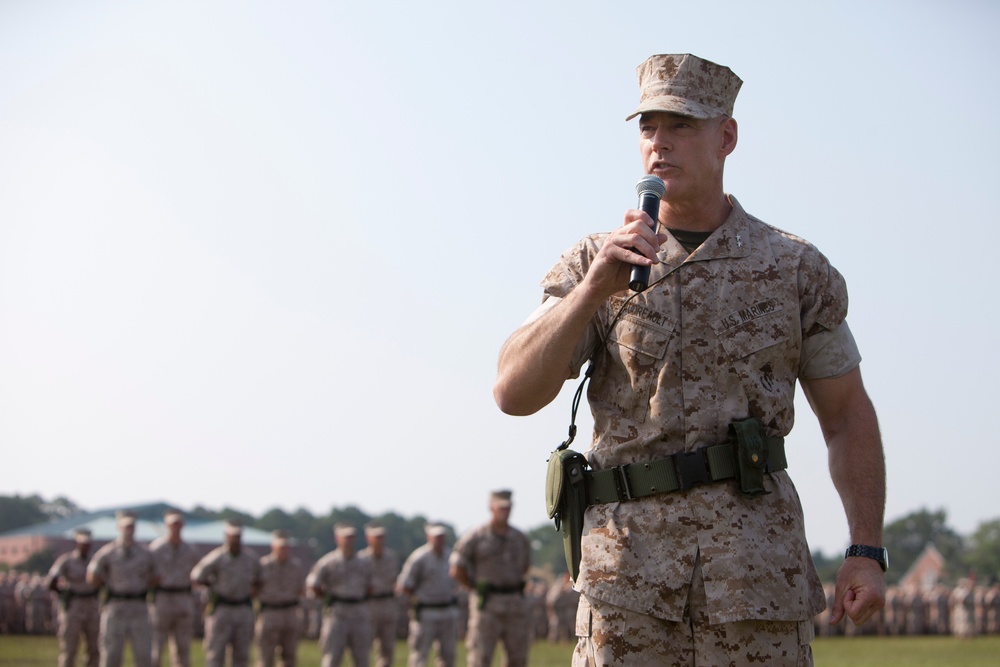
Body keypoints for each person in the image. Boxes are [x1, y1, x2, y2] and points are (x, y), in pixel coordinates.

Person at [493, 53, 887, 665]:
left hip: (754, 581)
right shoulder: (593, 261)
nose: (659, 144)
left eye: (681, 125)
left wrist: (866, 548)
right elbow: (513, 392)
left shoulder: (793, 268)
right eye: (648, 127)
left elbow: (846, 416)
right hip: (628, 588)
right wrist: (596, 287)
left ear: (726, 136)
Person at [449, 490, 531, 667]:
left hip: (514, 602)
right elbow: (456, 569)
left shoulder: (519, 538)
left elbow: (525, 567)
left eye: (508, 508)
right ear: (491, 508)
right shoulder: (476, 536)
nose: (505, 511)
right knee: (480, 657)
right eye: (501, 508)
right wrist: (473, 586)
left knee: (518, 658)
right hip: (487, 604)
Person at [87, 510, 157, 667]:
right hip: (116, 606)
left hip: (138, 607)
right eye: (126, 526)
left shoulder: (146, 552)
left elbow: (158, 576)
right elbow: (92, 575)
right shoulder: (108, 552)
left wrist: (143, 584)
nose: (129, 530)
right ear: (119, 527)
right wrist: (107, 585)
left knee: (144, 655)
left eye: (131, 526)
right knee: (111, 654)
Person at [191, 520, 260, 667]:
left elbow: (261, 578)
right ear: (226, 536)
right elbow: (197, 575)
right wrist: (212, 587)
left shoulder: (250, 558)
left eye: (238, 536)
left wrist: (253, 589)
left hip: (243, 608)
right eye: (232, 536)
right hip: (222, 609)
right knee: (216, 653)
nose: (235, 539)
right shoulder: (217, 557)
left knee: (242, 655)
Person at [306, 523, 373, 667]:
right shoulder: (328, 562)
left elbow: (371, 587)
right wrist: (326, 597)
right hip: (337, 614)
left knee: (362, 658)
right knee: (332, 657)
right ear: (338, 539)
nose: (349, 541)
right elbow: (313, 584)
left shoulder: (364, 563)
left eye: (352, 537)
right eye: (346, 537)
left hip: (359, 613)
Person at [396, 523, 460, 667]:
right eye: (436, 537)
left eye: (442, 536)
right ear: (428, 537)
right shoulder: (419, 558)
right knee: (420, 655)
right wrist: (417, 599)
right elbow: (405, 584)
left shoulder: (450, 556)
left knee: (448, 655)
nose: (439, 540)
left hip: (447, 610)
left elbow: (458, 579)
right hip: (426, 612)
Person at [148, 510, 199, 667]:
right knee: (157, 646)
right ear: (166, 525)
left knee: (182, 648)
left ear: (182, 525)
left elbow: (197, 574)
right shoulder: (155, 549)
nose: (175, 527)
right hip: (162, 599)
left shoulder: (190, 550)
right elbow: (145, 573)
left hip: (183, 599)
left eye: (178, 524)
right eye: (172, 524)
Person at [45, 528, 100, 667]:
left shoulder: (96, 560)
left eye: (88, 544)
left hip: (92, 605)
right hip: (73, 606)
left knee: (94, 647)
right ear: (77, 543)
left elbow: (104, 579)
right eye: (83, 543)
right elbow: (51, 581)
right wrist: (63, 593)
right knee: (69, 647)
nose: (85, 546)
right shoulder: (66, 560)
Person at [255, 530, 307, 667]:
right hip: (270, 612)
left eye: (285, 547)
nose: (283, 550)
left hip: (290, 612)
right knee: (266, 655)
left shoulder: (296, 566)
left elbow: (302, 590)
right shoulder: (263, 565)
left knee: (289, 656)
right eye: (280, 547)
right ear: (273, 547)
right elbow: (254, 588)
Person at [358, 522, 401, 667]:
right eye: (376, 537)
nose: (379, 540)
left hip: (387, 604)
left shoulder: (391, 557)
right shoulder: (360, 559)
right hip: (368, 605)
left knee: (387, 649)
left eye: (382, 537)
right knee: (363, 648)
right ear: (368, 538)